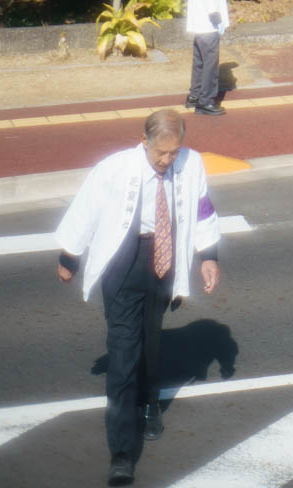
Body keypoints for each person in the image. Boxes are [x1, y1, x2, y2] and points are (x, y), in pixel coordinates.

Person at [56, 109, 221, 486]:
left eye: (173, 153)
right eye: (160, 153)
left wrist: (207, 257)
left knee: (151, 340)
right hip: (123, 262)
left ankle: (150, 403)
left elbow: (202, 209)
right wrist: (70, 258)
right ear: (144, 141)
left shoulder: (191, 164)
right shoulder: (114, 169)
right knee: (123, 352)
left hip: (164, 261)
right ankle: (122, 452)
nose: (167, 160)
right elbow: (86, 212)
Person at [185, 0, 228, 117]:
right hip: (208, 20)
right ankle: (206, 101)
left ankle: (194, 96)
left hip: (198, 19)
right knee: (210, 61)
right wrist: (214, 13)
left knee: (200, 60)